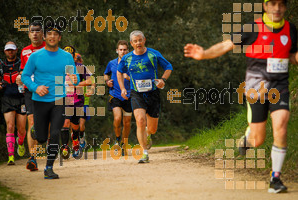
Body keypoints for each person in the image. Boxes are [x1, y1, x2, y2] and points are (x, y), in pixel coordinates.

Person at [184, 0, 297, 193]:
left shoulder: (291, 29)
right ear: (265, 6)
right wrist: (204, 54)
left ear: (285, 7)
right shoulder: (252, 28)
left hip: (280, 87)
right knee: (258, 139)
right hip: (256, 90)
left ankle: (275, 178)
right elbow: (226, 45)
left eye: (281, 4)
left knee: (281, 124)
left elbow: (292, 56)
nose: (277, 8)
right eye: (273, 4)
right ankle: (247, 139)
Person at [22, 25, 80, 179]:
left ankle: (49, 168)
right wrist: (36, 87)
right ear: (44, 37)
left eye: (55, 34)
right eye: (49, 34)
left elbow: (75, 76)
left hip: (59, 99)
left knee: (55, 133)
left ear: (59, 38)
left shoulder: (67, 56)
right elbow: (25, 76)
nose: (52, 37)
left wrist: (75, 79)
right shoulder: (36, 56)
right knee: (41, 137)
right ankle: (37, 130)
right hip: (39, 101)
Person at [117, 31, 173, 163]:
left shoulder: (153, 54)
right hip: (136, 94)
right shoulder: (127, 58)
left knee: (152, 128)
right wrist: (123, 88)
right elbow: (119, 72)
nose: (138, 43)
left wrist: (163, 80)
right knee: (140, 121)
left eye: (140, 40)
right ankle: (144, 152)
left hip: (153, 93)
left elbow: (168, 67)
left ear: (144, 40)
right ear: (131, 43)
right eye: (135, 41)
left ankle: (148, 133)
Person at [16, 21, 46, 171]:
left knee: (45, 124)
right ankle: (32, 158)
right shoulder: (24, 51)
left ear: (42, 34)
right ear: (29, 34)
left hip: (48, 90)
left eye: (37, 31)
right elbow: (23, 71)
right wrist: (19, 77)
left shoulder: (50, 48)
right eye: (32, 31)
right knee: (31, 121)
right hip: (30, 90)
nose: (34, 33)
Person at [61, 46, 92, 158]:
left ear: (74, 56)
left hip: (77, 100)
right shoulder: (59, 67)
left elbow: (90, 80)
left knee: (75, 125)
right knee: (65, 123)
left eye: (70, 55)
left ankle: (76, 145)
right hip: (63, 99)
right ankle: (64, 147)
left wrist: (78, 84)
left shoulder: (79, 67)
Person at [0, 41, 26, 165]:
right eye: (8, 50)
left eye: (12, 49)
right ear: (5, 51)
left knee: (21, 130)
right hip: (7, 98)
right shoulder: (0, 65)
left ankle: (20, 143)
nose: (10, 51)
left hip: (22, 98)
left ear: (16, 50)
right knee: (10, 127)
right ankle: (11, 157)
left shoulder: (22, 63)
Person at [104, 40, 132, 153]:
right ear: (117, 51)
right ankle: (117, 139)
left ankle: (124, 143)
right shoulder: (111, 63)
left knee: (127, 122)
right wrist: (107, 81)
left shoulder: (132, 63)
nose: (123, 51)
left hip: (129, 96)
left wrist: (128, 77)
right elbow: (106, 74)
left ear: (128, 51)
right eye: (120, 49)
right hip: (115, 94)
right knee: (117, 118)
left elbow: (137, 78)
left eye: (125, 49)